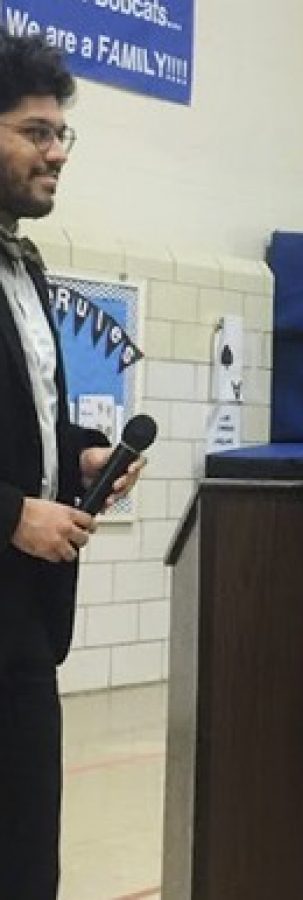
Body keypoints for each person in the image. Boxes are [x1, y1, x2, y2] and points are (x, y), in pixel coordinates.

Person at [0, 30, 145, 899]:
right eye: (33, 131)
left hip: (24, 627)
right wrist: (12, 512)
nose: (57, 152)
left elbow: (32, 417)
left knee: (24, 863)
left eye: (63, 135)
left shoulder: (26, 263)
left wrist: (79, 454)